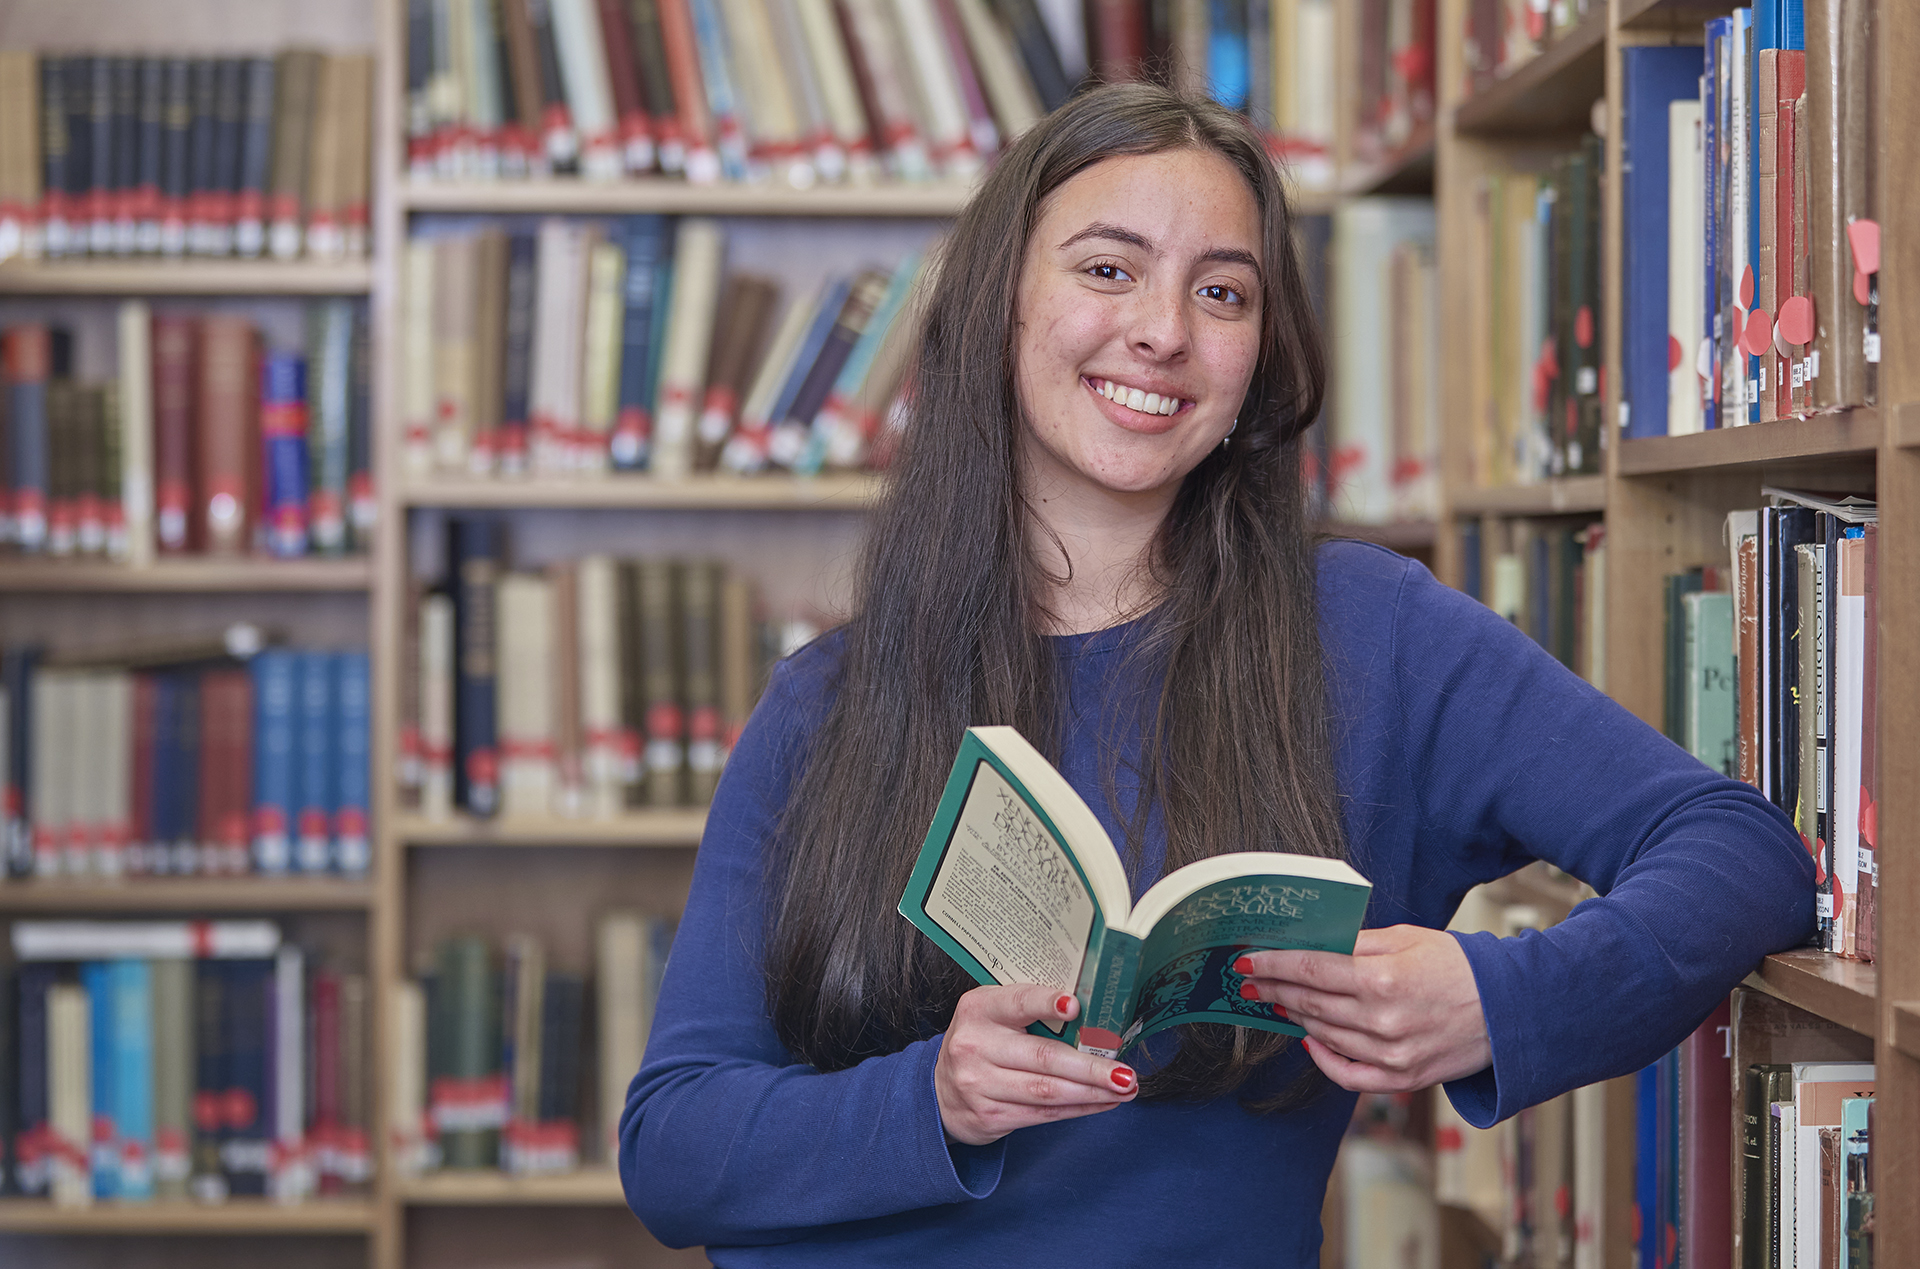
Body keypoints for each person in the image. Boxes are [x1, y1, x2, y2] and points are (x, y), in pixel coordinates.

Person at [619, 84, 1813, 1265]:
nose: (1163, 330)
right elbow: (673, 1148)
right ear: (997, 309)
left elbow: (1740, 856)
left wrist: (1496, 1000)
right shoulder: (830, 699)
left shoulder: (1370, 635)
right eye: (1106, 269)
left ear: (1258, 356)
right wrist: (934, 1099)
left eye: (1223, 291)